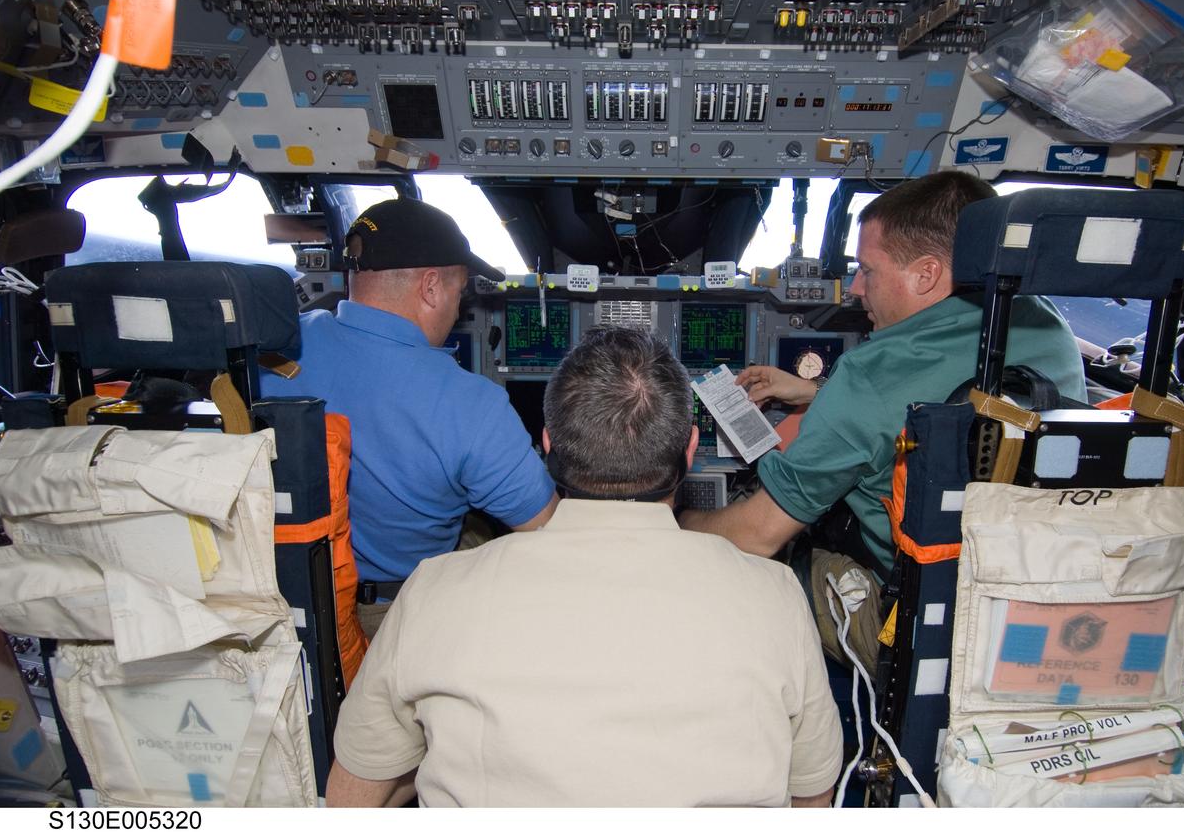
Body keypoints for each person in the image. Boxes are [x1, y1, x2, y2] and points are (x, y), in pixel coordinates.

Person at [325, 328, 843, 807]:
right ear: (689, 450)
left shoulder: (433, 591)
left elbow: (355, 791)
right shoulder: (774, 594)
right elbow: (812, 794)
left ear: (547, 446)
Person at [680, 172, 1086, 580]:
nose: (856, 287)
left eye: (867, 270)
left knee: (791, 561)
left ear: (926, 274)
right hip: (1045, 570)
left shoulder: (869, 376)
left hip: (913, 599)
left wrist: (678, 522)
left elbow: (757, 535)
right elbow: (953, 404)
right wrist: (818, 392)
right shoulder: (1047, 322)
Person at [261, 198, 557, 636]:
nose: (458, 308)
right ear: (431, 287)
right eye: (459, 291)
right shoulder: (469, 404)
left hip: (282, 595)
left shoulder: (274, 350)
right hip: (395, 616)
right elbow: (546, 532)